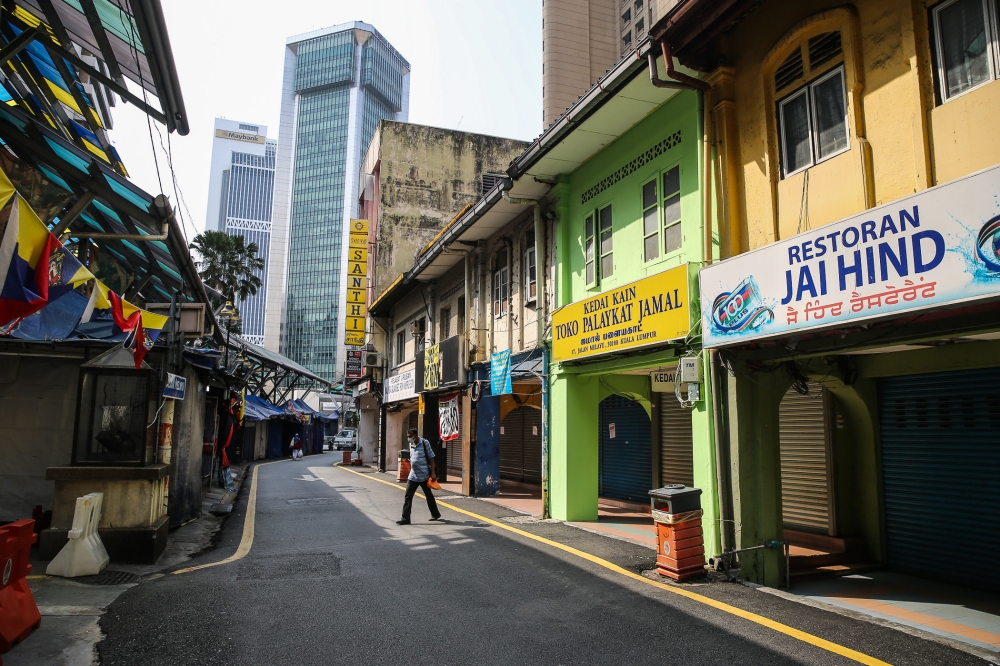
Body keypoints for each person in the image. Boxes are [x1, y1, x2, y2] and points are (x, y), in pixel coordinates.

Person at [397, 428, 441, 525]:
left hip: (424, 476)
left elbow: (431, 458)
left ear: (415, 435)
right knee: (408, 496)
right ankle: (405, 518)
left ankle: (435, 514)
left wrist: (433, 473)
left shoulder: (425, 443)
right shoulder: (411, 445)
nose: (409, 439)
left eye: (410, 437)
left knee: (428, 496)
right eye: (407, 436)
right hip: (413, 476)